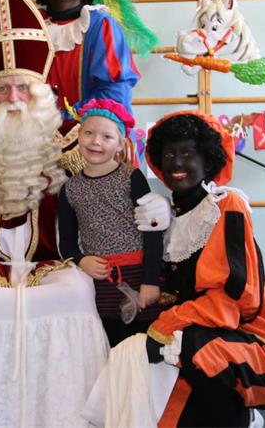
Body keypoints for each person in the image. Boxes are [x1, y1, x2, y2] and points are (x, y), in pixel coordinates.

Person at [0, 0, 161, 428]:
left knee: (77, 292)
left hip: (54, 260)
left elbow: (109, 175)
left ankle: (64, 416)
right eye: (2, 90)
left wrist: (135, 176)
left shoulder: (72, 138)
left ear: (40, 93)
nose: (13, 98)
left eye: (22, 89)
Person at [143, 110, 265, 427]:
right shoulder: (171, 215)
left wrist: (169, 321)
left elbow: (237, 297)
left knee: (193, 344)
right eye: (169, 154)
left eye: (187, 153)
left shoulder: (226, 205)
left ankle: (242, 417)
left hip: (250, 337)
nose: (176, 162)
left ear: (208, 160)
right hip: (200, 329)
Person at [58, 98, 171, 347]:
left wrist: (151, 280)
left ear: (120, 144)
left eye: (107, 136)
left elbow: (152, 231)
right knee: (109, 346)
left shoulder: (131, 177)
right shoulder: (70, 188)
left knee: (144, 347)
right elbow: (66, 242)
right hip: (99, 285)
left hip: (140, 278)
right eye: (88, 133)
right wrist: (81, 260)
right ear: (79, 136)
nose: (95, 141)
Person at [30, 0, 158, 120]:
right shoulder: (30, 23)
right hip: (36, 128)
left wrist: (65, 117)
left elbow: (114, 90)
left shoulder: (100, 24)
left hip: (90, 127)